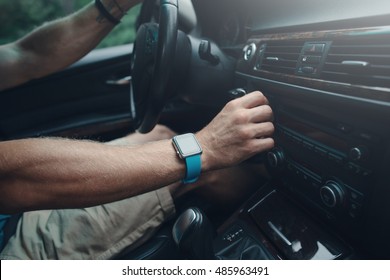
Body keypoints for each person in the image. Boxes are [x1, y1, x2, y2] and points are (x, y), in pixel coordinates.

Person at [0, 0, 274, 259]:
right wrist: (203, 148)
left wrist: (114, 4)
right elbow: (10, 177)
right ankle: (277, 196)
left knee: (159, 137)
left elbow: (26, 55)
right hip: (12, 249)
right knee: (199, 168)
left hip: (14, 214)